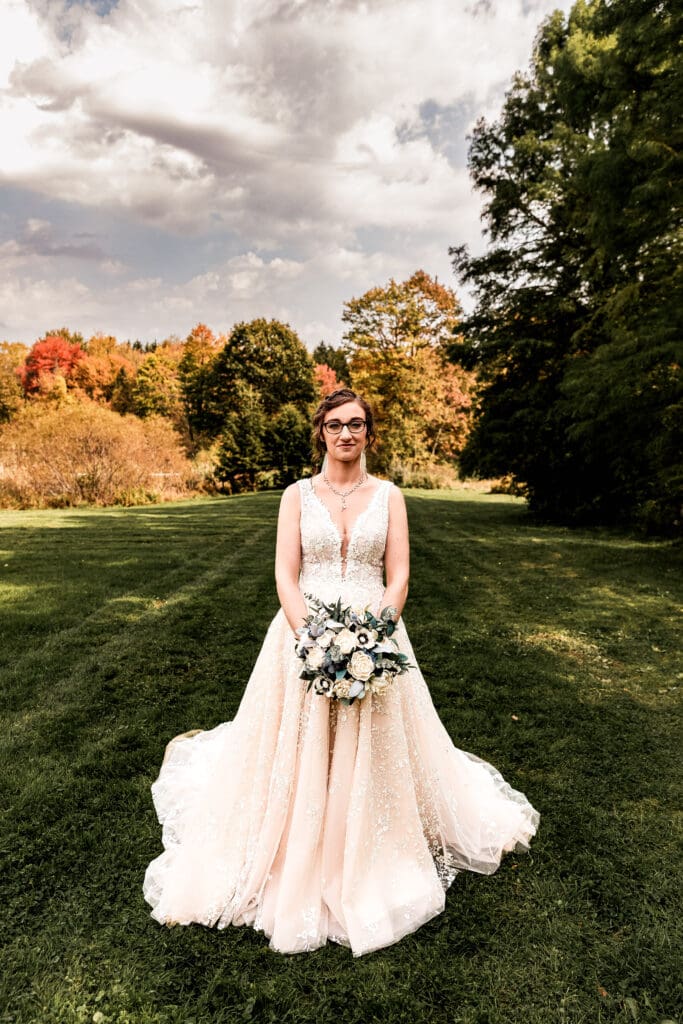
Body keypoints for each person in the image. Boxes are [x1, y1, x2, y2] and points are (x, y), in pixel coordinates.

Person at [143, 388, 540, 956]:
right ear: (321, 433)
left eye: (356, 425)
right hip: (302, 634)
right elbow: (285, 574)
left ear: (369, 434)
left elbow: (398, 576)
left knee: (373, 739)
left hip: (377, 634)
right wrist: (311, 637)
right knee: (298, 744)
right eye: (335, 425)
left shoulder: (390, 496)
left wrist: (376, 634)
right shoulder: (297, 496)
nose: (346, 434)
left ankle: (363, 844)